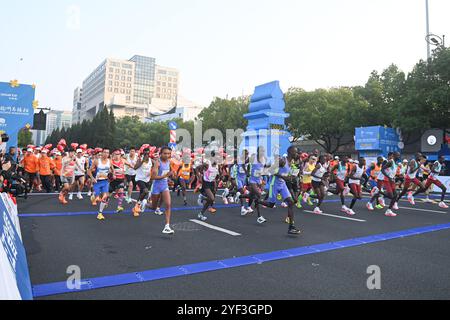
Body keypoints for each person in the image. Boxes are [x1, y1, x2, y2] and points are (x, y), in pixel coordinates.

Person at [149, 146, 175, 235]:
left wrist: (170, 178)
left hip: (164, 186)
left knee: (168, 204)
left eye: (168, 153)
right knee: (153, 207)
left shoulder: (168, 162)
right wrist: (166, 175)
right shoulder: (157, 163)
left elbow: (167, 175)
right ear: (161, 154)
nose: (167, 155)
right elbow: (153, 177)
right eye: (165, 153)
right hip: (156, 186)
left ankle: (167, 226)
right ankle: (145, 203)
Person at [88, 149, 112, 221]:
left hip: (105, 181)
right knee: (97, 197)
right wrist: (92, 178)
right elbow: (89, 171)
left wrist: (112, 175)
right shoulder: (96, 161)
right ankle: (94, 196)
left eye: (107, 153)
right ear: (102, 153)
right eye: (105, 152)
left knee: (105, 196)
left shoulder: (109, 161)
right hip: (97, 181)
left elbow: (111, 170)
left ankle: (100, 213)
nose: (106, 154)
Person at [132, 146, 153, 216]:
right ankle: (138, 205)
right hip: (139, 179)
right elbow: (135, 168)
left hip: (147, 180)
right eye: (145, 154)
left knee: (142, 194)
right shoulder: (140, 159)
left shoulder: (151, 160)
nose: (147, 155)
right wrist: (142, 161)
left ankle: (135, 209)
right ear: (143, 153)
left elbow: (154, 168)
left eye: (148, 154)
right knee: (145, 191)